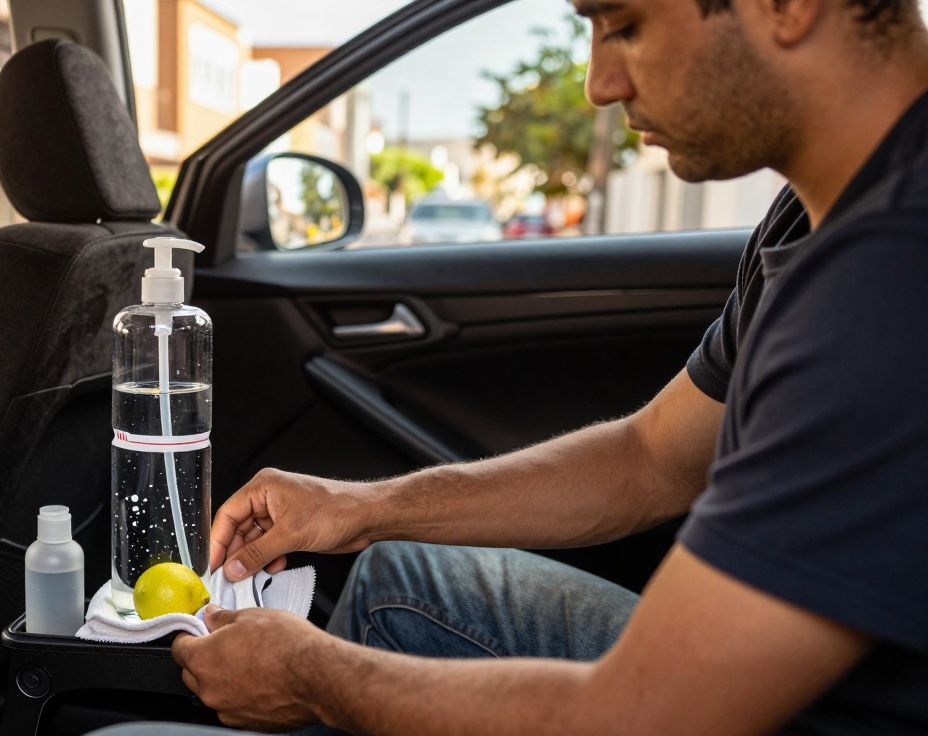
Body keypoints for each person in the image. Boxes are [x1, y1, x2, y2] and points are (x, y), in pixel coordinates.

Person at [155, 0, 928, 733]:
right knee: (405, 577)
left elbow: (645, 718)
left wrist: (310, 678)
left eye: (623, 25)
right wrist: (358, 507)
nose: (601, 84)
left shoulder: (889, 281)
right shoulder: (813, 218)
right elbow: (651, 457)